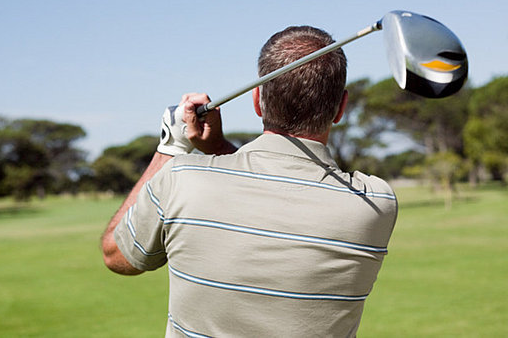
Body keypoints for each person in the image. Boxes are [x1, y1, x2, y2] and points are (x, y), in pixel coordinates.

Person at [101, 25, 398, 337]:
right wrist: (218, 148)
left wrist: (171, 147)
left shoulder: (181, 179)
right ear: (340, 108)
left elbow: (116, 254)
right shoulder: (375, 203)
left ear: (257, 100)